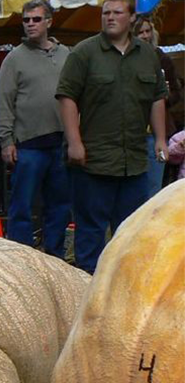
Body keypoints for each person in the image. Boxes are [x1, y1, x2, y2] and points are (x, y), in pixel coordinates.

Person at [56, 0, 167, 273]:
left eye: (117, 13)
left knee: (129, 233)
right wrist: (74, 142)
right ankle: (86, 290)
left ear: (132, 18)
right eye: (106, 13)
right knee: (91, 233)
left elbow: (157, 98)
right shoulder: (84, 53)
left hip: (134, 163)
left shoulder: (147, 55)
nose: (110, 18)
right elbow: (66, 97)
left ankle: (122, 289)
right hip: (94, 162)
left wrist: (162, 140)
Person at [0, 0, 71, 258]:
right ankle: (22, 259)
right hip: (28, 144)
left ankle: (55, 257)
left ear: (49, 21)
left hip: (61, 142)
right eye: (26, 20)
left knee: (60, 206)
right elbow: (3, 101)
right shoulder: (14, 58)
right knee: (22, 206)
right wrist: (6, 141)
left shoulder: (66, 55)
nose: (30, 24)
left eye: (36, 19)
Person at [133, 15, 181, 195]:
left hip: (157, 133)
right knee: (133, 187)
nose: (145, 36)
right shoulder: (124, 60)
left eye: (147, 31)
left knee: (153, 187)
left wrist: (166, 96)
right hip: (132, 130)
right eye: (140, 32)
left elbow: (176, 94)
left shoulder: (162, 58)